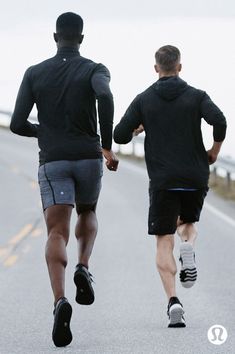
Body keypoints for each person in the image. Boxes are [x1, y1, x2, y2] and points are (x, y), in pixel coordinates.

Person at [10, 12, 118, 347]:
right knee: (88, 212)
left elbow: (16, 123)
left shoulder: (35, 72)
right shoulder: (95, 69)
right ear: (81, 39)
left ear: (55, 37)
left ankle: (60, 300)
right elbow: (106, 96)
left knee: (56, 231)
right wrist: (105, 145)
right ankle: (83, 267)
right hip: (88, 158)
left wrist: (43, 132)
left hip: (53, 161)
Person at [114, 45, 226, 328]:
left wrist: (138, 128)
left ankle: (173, 301)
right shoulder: (197, 96)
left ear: (156, 69)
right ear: (180, 66)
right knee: (187, 225)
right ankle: (188, 245)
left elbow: (119, 135)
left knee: (164, 240)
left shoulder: (144, 100)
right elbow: (220, 120)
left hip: (163, 181)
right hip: (194, 177)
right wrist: (214, 151)